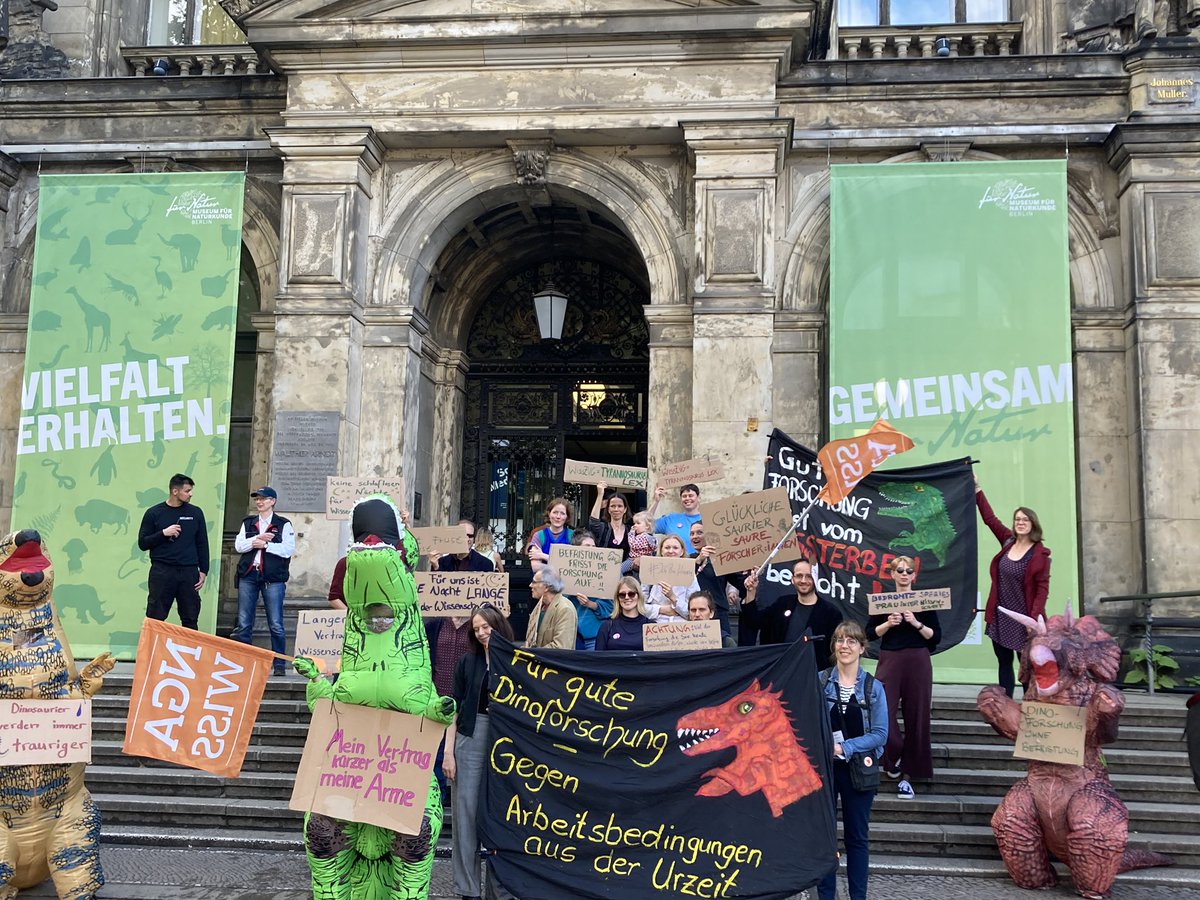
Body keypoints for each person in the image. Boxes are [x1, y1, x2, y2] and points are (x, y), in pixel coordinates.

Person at [444, 604, 515, 900]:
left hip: (507, 744)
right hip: (470, 739)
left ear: (498, 625)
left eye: (487, 626)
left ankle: (500, 889)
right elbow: (453, 709)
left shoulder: (517, 661)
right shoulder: (466, 662)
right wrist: (448, 753)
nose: (482, 633)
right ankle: (468, 889)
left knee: (503, 815)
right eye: (477, 629)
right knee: (465, 815)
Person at [817, 620, 888, 900]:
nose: (844, 646)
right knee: (824, 838)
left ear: (861, 647)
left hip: (860, 771)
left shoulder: (873, 687)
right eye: (839, 640)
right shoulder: (821, 681)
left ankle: (858, 896)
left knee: (857, 838)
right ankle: (826, 895)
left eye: (851, 641)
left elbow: (881, 734)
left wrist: (844, 747)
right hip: (825, 769)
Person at [867, 555, 941, 800]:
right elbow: (869, 633)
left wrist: (916, 623)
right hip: (890, 657)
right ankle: (895, 753)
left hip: (918, 659)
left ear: (913, 575)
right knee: (881, 710)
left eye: (908, 570)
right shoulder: (883, 601)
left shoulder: (924, 601)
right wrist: (888, 623)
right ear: (892, 574)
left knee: (917, 715)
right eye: (899, 570)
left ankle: (909, 775)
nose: (904, 574)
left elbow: (935, 637)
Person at [976, 476, 1051, 697]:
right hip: (1001, 615)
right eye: (1017, 519)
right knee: (1004, 663)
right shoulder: (1007, 541)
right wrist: (978, 489)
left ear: (1033, 524)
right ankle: (1006, 707)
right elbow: (990, 519)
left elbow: (1042, 590)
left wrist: (1033, 619)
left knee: (1026, 668)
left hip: (1024, 619)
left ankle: (1030, 710)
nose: (1020, 522)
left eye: (1025, 520)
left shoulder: (1040, 554)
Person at [230, 486, 295, 676]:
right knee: (243, 622)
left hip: (272, 577)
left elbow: (287, 550)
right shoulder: (249, 522)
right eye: (257, 499)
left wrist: (266, 545)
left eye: (264, 499)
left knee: (275, 622)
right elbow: (239, 546)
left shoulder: (283, 524)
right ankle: (243, 664)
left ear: (273, 501)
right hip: (249, 575)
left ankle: (280, 665)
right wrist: (257, 539)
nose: (259, 502)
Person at [138, 473, 209, 630]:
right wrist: (163, 533)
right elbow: (143, 543)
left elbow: (202, 543)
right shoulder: (154, 513)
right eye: (187, 491)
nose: (191, 494)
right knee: (155, 617)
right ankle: (152, 653)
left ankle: (190, 654)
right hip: (162, 571)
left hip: (188, 571)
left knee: (190, 617)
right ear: (175, 491)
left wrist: (204, 570)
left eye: (191, 490)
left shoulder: (196, 513)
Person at [743, 558, 841, 666]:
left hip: (812, 675)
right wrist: (751, 591)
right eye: (799, 576)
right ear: (792, 579)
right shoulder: (782, 603)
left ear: (816, 578)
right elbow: (754, 621)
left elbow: (834, 652)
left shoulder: (831, 613)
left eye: (809, 576)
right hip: (778, 672)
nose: (803, 580)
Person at [327, 502, 411, 609]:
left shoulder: (397, 562)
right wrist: (354, 617)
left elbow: (410, 553)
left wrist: (405, 526)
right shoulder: (345, 563)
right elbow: (334, 598)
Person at [689, 520, 738, 639]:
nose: (695, 536)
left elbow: (740, 582)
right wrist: (699, 560)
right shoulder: (687, 559)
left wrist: (751, 573)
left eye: (699, 532)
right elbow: (684, 578)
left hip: (718, 612)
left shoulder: (722, 559)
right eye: (692, 533)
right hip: (694, 613)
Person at [567, 533, 614, 649]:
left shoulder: (605, 573)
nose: (592, 550)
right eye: (587, 546)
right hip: (571, 636)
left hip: (595, 636)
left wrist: (591, 604)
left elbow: (611, 608)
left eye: (594, 547)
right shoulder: (565, 573)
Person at [642, 534, 697, 623]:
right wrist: (661, 609)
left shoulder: (689, 574)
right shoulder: (650, 571)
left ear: (682, 551)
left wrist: (673, 598)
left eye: (675, 548)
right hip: (655, 625)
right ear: (661, 551)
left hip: (682, 627)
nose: (671, 551)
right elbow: (640, 606)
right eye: (667, 548)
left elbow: (694, 612)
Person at [525, 565, 577, 649]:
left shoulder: (565, 609)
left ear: (546, 587)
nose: (530, 585)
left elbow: (561, 647)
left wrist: (533, 652)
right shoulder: (539, 607)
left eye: (534, 582)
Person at [595, 576, 653, 651]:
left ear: (639, 596)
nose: (627, 597)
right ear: (618, 599)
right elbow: (598, 659)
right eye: (622, 595)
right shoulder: (607, 626)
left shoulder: (651, 627)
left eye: (631, 594)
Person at [649, 483, 702, 552]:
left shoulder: (707, 519)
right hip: (675, 561)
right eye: (684, 496)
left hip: (699, 561)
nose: (687, 498)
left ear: (698, 498)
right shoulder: (670, 519)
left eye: (691, 495)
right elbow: (646, 525)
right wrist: (656, 501)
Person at [525, 497, 573, 572]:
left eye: (562, 513)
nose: (558, 517)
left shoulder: (573, 536)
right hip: (543, 582)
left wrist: (543, 556)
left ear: (567, 517)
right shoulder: (538, 535)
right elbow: (535, 567)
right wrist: (562, 565)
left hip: (566, 582)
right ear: (549, 514)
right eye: (555, 512)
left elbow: (574, 566)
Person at [588, 481, 631, 560]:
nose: (616, 509)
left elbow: (645, 521)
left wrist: (655, 501)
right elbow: (593, 522)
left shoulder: (631, 531)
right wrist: (600, 494)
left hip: (625, 571)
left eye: (620, 506)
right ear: (608, 509)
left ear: (625, 509)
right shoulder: (602, 528)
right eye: (613, 506)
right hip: (603, 570)